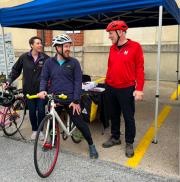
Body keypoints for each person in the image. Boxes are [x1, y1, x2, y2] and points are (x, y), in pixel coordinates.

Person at [37, 34, 99, 159]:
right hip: (55, 98)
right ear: (57, 47)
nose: (68, 49)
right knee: (51, 119)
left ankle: (91, 145)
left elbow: (78, 83)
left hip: (71, 99)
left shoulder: (74, 62)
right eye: (65, 46)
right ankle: (52, 141)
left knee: (80, 123)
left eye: (69, 46)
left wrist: (76, 100)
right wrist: (42, 90)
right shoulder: (49, 63)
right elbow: (44, 78)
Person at [102, 20, 144, 158]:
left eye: (111, 33)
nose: (109, 36)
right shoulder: (112, 48)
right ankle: (115, 137)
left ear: (120, 32)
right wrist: (107, 81)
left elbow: (140, 69)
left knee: (128, 117)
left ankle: (129, 142)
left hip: (127, 88)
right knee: (113, 114)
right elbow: (110, 66)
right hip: (111, 87)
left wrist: (139, 89)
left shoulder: (135, 47)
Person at [5, 36, 49, 140]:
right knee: (32, 111)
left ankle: (40, 131)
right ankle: (34, 130)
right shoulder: (24, 57)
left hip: (41, 91)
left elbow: (51, 72)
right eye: (37, 43)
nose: (40, 45)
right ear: (31, 45)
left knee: (41, 110)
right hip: (29, 91)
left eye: (40, 43)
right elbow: (16, 70)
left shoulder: (45, 58)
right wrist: (9, 80)